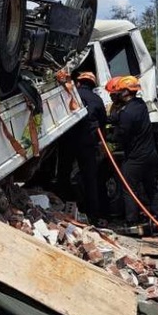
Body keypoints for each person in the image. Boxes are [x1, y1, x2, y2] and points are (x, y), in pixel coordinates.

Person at [106, 75, 158, 224]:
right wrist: (110, 119)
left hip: (136, 159)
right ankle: (157, 217)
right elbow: (122, 116)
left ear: (125, 93)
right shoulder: (140, 104)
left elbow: (120, 135)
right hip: (151, 155)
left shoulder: (127, 113)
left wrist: (106, 137)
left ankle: (132, 221)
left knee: (128, 188)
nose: (116, 94)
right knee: (151, 187)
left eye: (118, 91)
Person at [61, 72, 107, 221]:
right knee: (90, 179)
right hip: (88, 144)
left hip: (69, 141)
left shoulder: (70, 94)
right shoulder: (98, 100)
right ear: (93, 85)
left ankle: (63, 206)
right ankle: (93, 215)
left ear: (79, 82)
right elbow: (103, 122)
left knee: (63, 174)